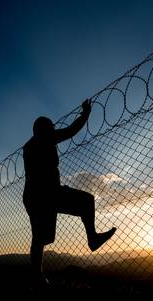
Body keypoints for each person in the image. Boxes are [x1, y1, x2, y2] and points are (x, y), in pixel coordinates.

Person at [22, 98, 117, 286]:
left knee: (41, 237)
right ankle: (92, 239)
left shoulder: (30, 145)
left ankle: (36, 276)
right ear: (43, 129)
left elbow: (37, 174)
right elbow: (71, 130)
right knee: (86, 202)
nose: (53, 129)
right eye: (50, 127)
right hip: (45, 195)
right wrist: (86, 113)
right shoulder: (44, 140)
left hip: (35, 196)